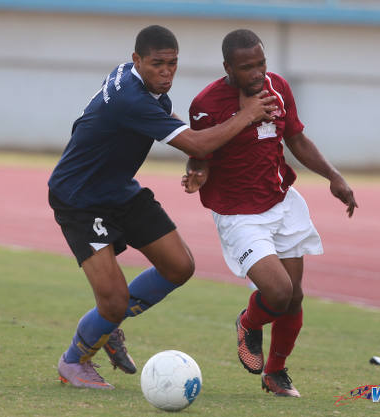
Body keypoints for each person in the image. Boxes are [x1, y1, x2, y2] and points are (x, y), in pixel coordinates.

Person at [48, 25, 278, 390]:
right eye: (158, 64)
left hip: (120, 191)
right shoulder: (131, 99)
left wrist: (196, 166)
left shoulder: (141, 86)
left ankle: (105, 329)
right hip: (80, 199)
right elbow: (198, 143)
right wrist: (247, 114)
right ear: (137, 60)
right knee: (113, 301)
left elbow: (193, 147)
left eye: (173, 64)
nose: (167, 72)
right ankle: (74, 361)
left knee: (179, 266)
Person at [182, 29, 358, 397]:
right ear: (228, 67)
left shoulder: (278, 87)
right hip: (238, 214)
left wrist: (333, 175)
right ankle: (248, 322)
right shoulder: (205, 104)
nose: (258, 73)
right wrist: (198, 172)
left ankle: (275, 373)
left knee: (294, 297)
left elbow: (296, 139)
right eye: (247, 67)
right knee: (276, 293)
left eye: (261, 63)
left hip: (281, 201)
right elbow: (201, 152)